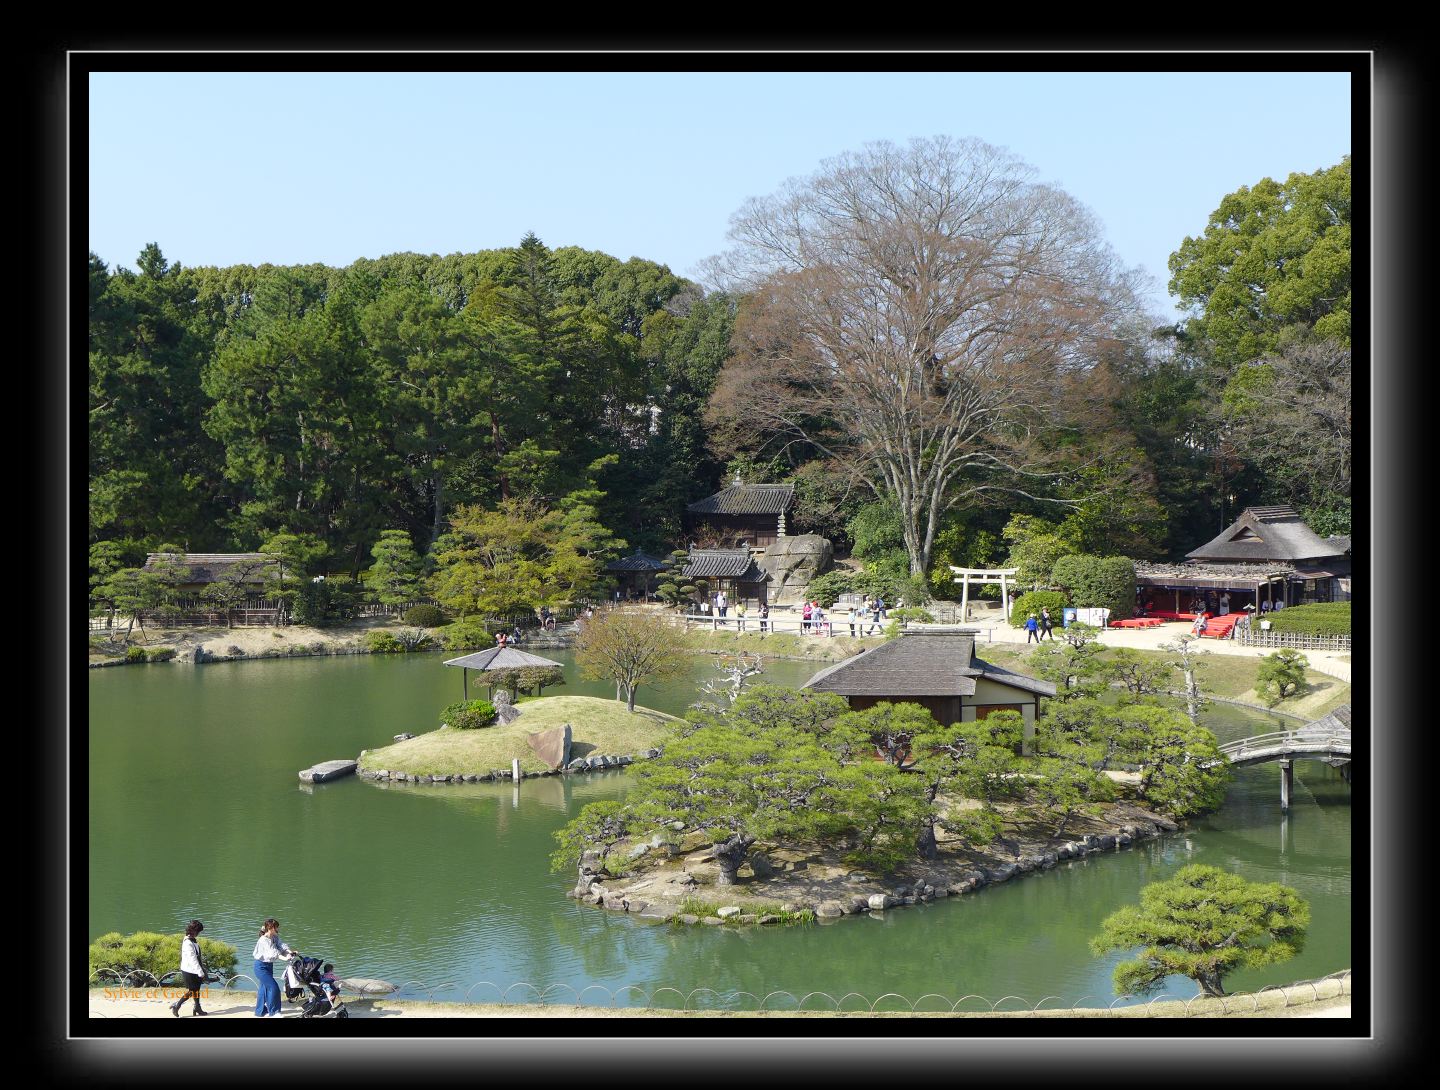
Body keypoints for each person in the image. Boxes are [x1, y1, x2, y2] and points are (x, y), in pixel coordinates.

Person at [252, 918, 294, 1018]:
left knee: (263, 988)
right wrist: (285, 958)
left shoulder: (274, 937)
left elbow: (281, 946)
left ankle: (260, 1012)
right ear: (270, 928)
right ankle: (274, 1013)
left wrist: (290, 952)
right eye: (276, 927)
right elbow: (273, 953)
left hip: (269, 966)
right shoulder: (263, 940)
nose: (278, 929)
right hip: (260, 967)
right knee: (273, 987)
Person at [171, 919, 210, 1017]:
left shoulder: (192, 941)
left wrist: (201, 970)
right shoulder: (188, 943)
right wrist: (200, 972)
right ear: (194, 931)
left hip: (194, 970)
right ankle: (177, 1005)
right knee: (192, 991)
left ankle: (197, 1007)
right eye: (198, 931)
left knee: (196, 990)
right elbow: (193, 959)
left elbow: (197, 957)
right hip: (189, 971)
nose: (199, 934)